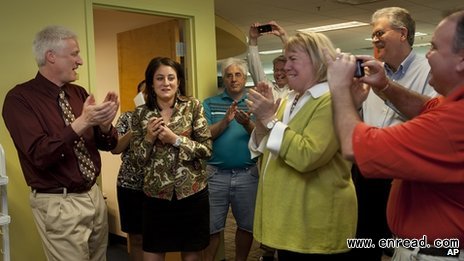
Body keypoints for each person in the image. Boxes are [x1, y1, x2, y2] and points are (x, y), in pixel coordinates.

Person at [325, 9, 464, 261]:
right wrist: (385, 85)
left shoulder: (452, 122)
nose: (428, 54)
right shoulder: (452, 107)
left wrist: (340, 90)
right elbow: (426, 107)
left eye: (434, 47)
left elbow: (353, 147)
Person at [2, 25, 119, 260]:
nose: (80, 61)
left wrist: (105, 124)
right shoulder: (19, 99)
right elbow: (40, 155)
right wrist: (82, 122)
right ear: (51, 56)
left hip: (93, 196)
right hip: (59, 203)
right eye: (74, 54)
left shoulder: (78, 93)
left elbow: (107, 144)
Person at [246, 32, 357, 261]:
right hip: (290, 223)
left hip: (315, 226)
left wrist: (269, 119)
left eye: (292, 59)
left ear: (317, 61)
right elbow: (266, 150)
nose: (285, 67)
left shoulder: (332, 99)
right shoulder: (288, 99)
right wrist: (261, 121)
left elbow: (307, 155)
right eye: (285, 60)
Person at [350, 7, 436, 260]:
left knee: (401, 245)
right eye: (372, 35)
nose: (374, 39)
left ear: (402, 33)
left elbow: (431, 120)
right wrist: (354, 103)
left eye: (379, 32)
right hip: (368, 171)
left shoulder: (429, 71)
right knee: (364, 242)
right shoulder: (373, 72)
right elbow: (363, 121)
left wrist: (386, 90)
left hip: (404, 174)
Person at [130, 57, 212, 261]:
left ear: (179, 82)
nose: (165, 83)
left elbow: (207, 150)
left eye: (170, 78)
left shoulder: (193, 107)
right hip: (156, 197)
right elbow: (137, 161)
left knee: (192, 254)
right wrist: (149, 138)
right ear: (151, 83)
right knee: (152, 254)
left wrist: (176, 140)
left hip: (191, 194)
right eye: (159, 78)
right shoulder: (140, 113)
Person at [202, 58, 258, 261]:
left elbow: (263, 138)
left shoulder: (255, 102)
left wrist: (247, 125)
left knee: (247, 226)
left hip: (247, 175)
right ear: (223, 79)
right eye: (229, 75)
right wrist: (225, 121)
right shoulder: (209, 103)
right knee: (212, 229)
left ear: (245, 78)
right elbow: (205, 134)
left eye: (238, 75)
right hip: (216, 175)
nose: (233, 79)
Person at [111, 80, 146, 261]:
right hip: (130, 185)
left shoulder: (170, 117)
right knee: (137, 237)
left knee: (160, 236)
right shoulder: (127, 117)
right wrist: (135, 129)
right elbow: (115, 148)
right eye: (144, 93)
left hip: (159, 188)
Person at [248, 21, 290, 102]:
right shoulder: (268, 89)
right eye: (276, 70)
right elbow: (255, 68)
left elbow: (297, 57)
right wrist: (253, 39)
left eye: (282, 70)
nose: (279, 73)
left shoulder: (296, 90)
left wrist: (283, 36)